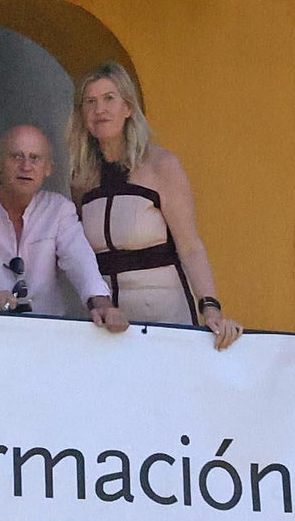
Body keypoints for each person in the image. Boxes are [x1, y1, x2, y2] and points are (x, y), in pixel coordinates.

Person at [66, 61, 242, 350]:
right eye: (90, 102)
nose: (100, 110)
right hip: (108, 330)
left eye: (109, 99)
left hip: (166, 323)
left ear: (128, 108)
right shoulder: (81, 180)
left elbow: (190, 246)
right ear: (82, 115)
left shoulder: (162, 166)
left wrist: (210, 309)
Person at [0, 124, 128, 330]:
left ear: (48, 168)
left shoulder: (59, 209)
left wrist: (102, 304)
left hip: (48, 336)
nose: (26, 166)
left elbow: (80, 261)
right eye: (17, 156)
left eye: (35, 158)